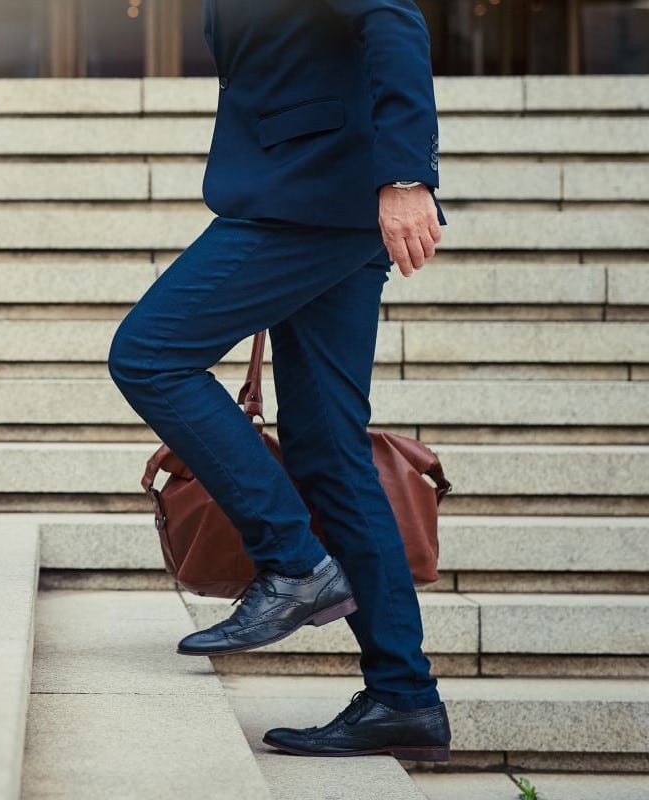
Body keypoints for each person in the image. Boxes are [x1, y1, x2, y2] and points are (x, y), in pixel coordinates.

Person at [108, 0, 451, 761]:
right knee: (329, 451)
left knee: (149, 355)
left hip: (316, 191)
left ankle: (295, 563)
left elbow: (392, 16)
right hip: (311, 193)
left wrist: (405, 173)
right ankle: (404, 697)